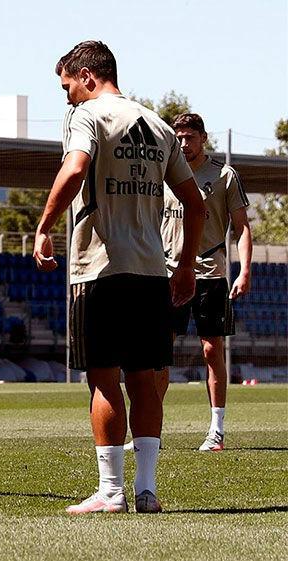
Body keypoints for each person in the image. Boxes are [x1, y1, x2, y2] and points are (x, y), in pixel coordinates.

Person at [33, 40, 204, 515]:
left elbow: (76, 167)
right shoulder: (158, 124)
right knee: (144, 379)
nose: (68, 97)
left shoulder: (89, 116)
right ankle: (147, 492)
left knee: (103, 378)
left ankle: (110, 492)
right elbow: (196, 203)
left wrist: (44, 226)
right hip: (152, 270)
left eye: (68, 86)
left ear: (87, 76)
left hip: (100, 269)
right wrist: (186, 264)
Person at [157, 112, 251, 451]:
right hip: (168, 274)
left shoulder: (224, 176)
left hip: (210, 275)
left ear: (203, 138)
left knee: (212, 350)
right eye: (178, 137)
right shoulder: (165, 174)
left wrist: (244, 270)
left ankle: (216, 430)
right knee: (158, 354)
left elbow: (242, 228)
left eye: (189, 137)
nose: (183, 143)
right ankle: (149, 432)